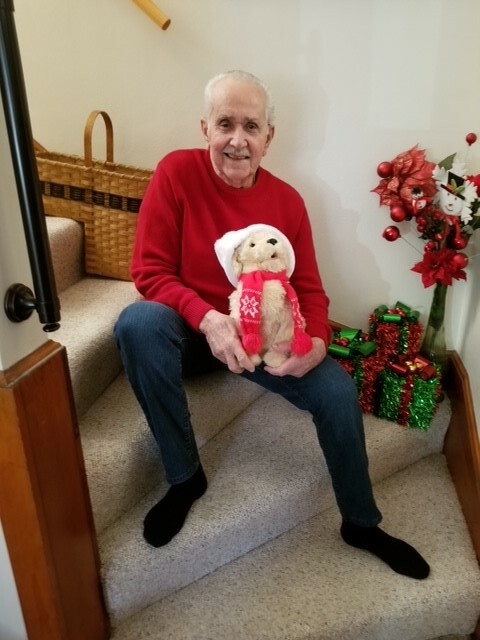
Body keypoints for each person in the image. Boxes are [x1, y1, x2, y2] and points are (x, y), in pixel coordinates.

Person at [114, 70, 430, 580]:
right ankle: (184, 476)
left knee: (335, 390)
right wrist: (209, 320)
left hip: (262, 340)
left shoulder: (288, 202)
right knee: (137, 323)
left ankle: (361, 522)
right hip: (190, 334)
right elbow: (149, 272)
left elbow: (311, 291)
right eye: (225, 124)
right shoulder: (175, 172)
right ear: (205, 129)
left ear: (269, 136)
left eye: (251, 126)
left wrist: (318, 342)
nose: (237, 140)